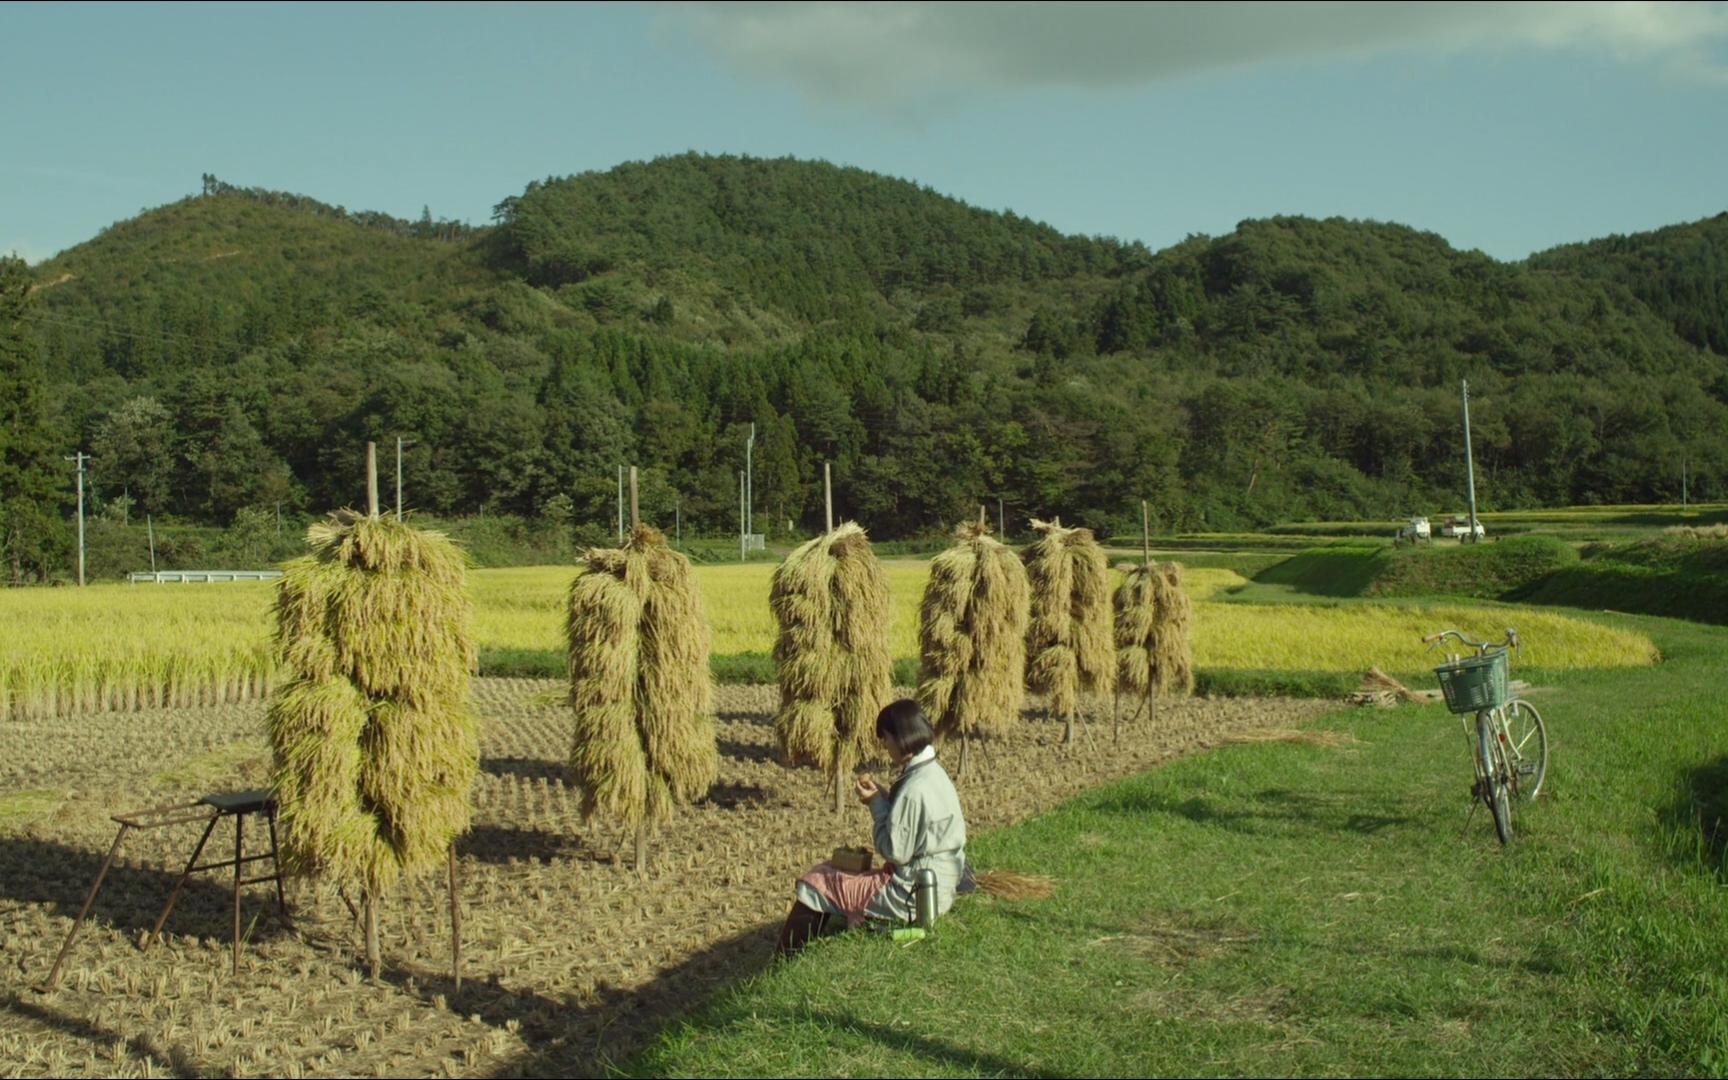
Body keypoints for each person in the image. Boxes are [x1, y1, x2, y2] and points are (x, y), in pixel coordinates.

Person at [775, 698, 969, 957]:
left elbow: (895, 851)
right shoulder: (934, 773)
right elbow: (914, 825)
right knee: (828, 874)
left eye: (886, 739)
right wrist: (889, 799)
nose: (886, 747)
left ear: (899, 737)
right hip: (939, 884)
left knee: (817, 881)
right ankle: (797, 953)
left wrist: (876, 805)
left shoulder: (914, 788)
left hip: (912, 896)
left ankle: (784, 961)